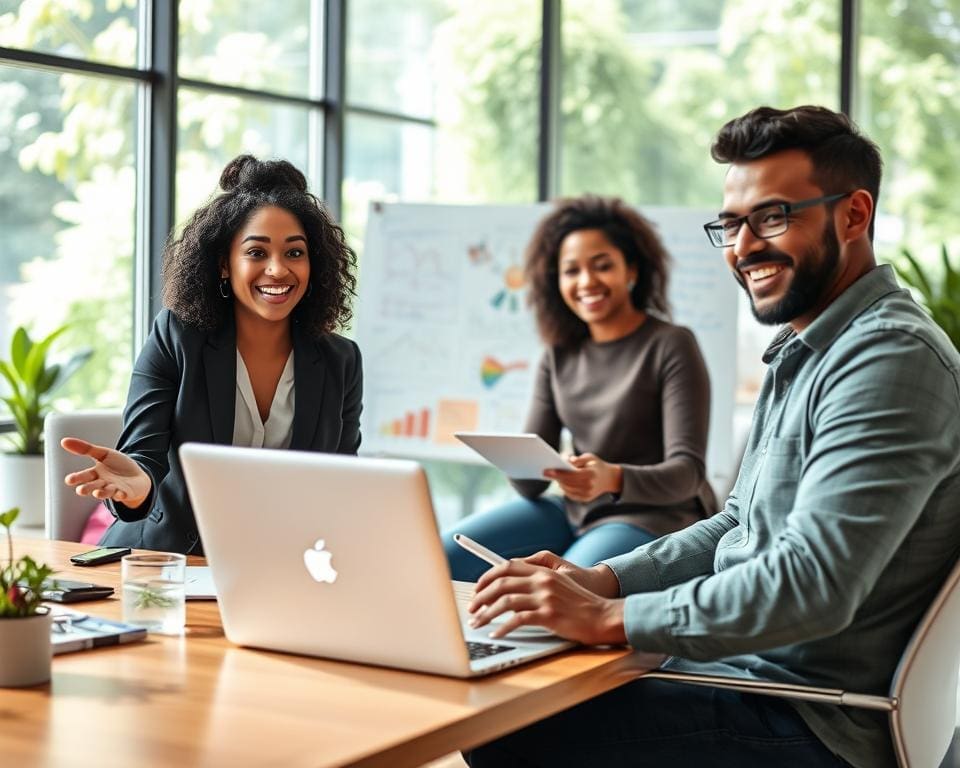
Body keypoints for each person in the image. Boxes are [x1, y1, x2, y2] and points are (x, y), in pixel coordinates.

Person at [463, 105, 960, 768]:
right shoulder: (808, 350)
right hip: (745, 675)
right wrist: (605, 581)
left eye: (772, 217)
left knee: (509, 727)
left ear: (853, 214)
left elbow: (812, 584)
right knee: (518, 692)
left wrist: (608, 620)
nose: (743, 247)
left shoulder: (888, 358)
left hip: (805, 717)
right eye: (730, 224)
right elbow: (736, 523)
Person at [61, 155, 362, 555]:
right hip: (166, 561)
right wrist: (137, 488)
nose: (277, 270)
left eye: (294, 253)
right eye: (256, 253)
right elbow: (143, 454)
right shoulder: (177, 337)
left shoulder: (341, 361)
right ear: (224, 264)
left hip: (276, 566)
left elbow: (339, 484)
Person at [442, 197, 716, 582]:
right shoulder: (558, 355)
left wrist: (612, 478)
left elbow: (688, 473)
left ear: (632, 270)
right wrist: (523, 460)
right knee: (441, 556)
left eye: (602, 265)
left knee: (561, 586)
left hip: (655, 516)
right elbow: (531, 486)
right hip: (575, 512)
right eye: (571, 271)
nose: (586, 282)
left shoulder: (671, 344)